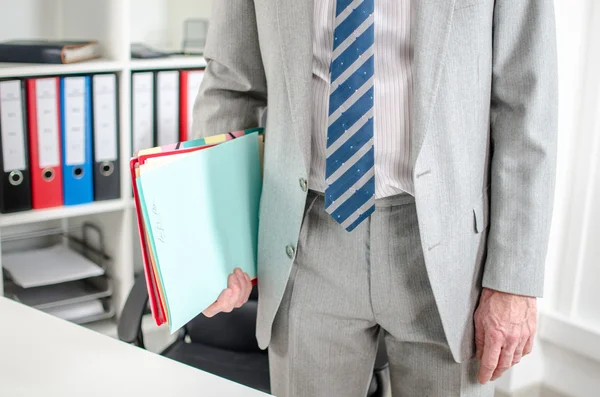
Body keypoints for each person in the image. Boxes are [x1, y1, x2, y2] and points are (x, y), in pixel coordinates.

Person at [192, 0, 558, 395]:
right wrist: (220, 246)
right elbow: (230, 89)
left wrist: (513, 281)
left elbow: (526, 105)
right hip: (307, 238)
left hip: (452, 256)